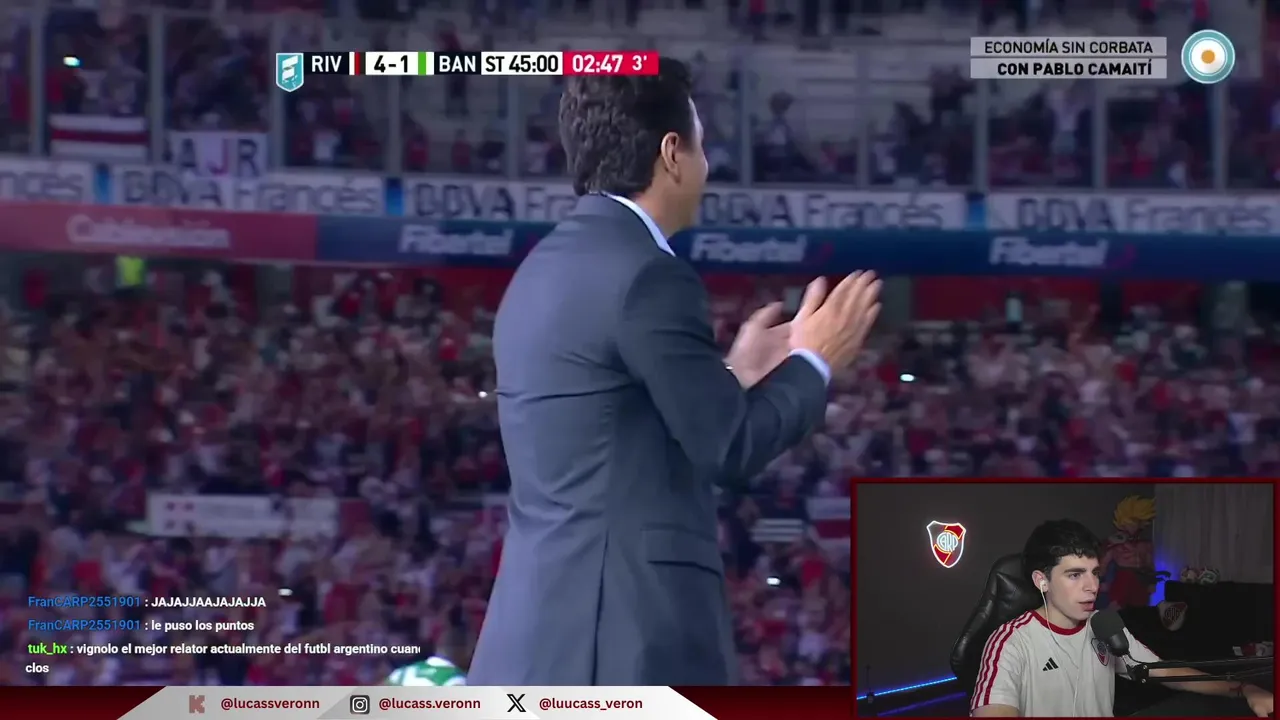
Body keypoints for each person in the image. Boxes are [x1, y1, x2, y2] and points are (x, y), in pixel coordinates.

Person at [469, 58, 881, 686]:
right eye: (701, 145)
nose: (706, 165)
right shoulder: (649, 275)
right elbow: (730, 447)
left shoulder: (539, 269)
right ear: (671, 154)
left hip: (535, 636)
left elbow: (617, 423)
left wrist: (733, 373)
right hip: (621, 639)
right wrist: (815, 359)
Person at [971, 520, 1274, 717]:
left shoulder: (1103, 625)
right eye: (1075, 575)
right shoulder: (1010, 643)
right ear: (1042, 581)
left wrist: (1244, 689)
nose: (1092, 586)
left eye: (1095, 573)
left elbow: (1169, 674)